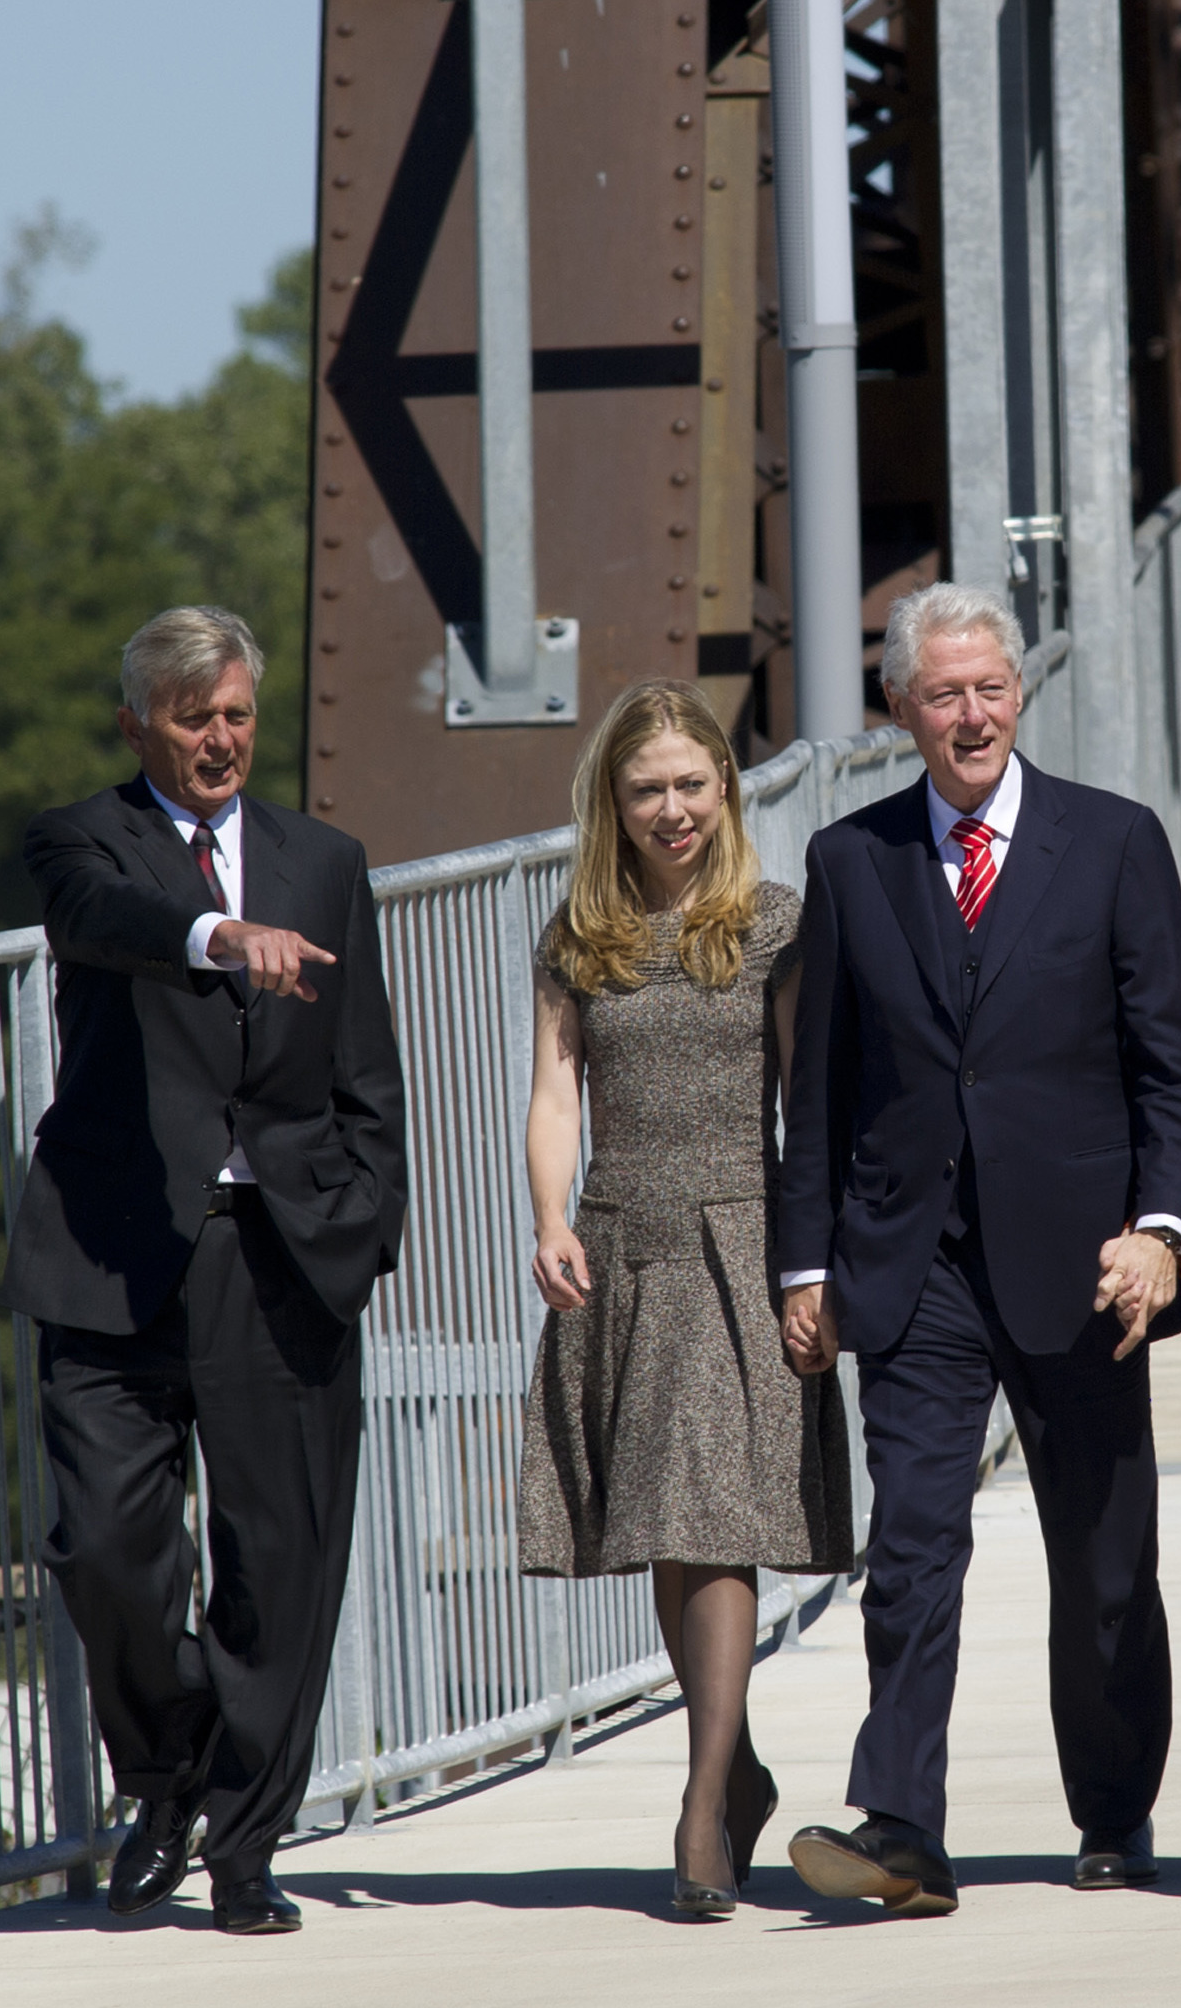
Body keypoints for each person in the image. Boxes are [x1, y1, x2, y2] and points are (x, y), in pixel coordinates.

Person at [776, 582, 1181, 1917]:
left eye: (988, 689)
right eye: (941, 695)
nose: (969, 716)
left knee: (1103, 1552)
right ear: (898, 710)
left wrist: (1162, 1229)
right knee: (913, 1541)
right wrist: (807, 1266)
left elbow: (1170, 1067)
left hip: (1083, 1262)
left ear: (1018, 695)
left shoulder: (1114, 842)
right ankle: (901, 1824)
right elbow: (821, 1088)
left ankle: (1114, 1808)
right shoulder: (850, 861)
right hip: (911, 1263)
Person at [7, 606, 407, 1937]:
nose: (221, 739)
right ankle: (169, 1766)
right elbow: (103, 920)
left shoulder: (323, 859)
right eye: (193, 719)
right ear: (138, 727)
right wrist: (218, 936)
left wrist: (364, 1225)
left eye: (236, 713)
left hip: (282, 1251)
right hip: (112, 1252)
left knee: (279, 1564)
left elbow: (364, 1066)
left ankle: (244, 1847)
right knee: (105, 1548)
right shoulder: (80, 842)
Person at [515, 678, 853, 1918]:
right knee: (667, 1514)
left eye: (692, 785)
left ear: (727, 789)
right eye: (647, 788)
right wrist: (551, 1219)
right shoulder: (577, 935)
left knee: (707, 1506)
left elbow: (810, 1103)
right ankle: (738, 1766)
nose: (672, 809)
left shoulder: (774, 923)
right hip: (624, 1237)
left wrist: (815, 1268)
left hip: (742, 1239)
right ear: (611, 800)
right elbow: (556, 1093)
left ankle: (702, 1803)